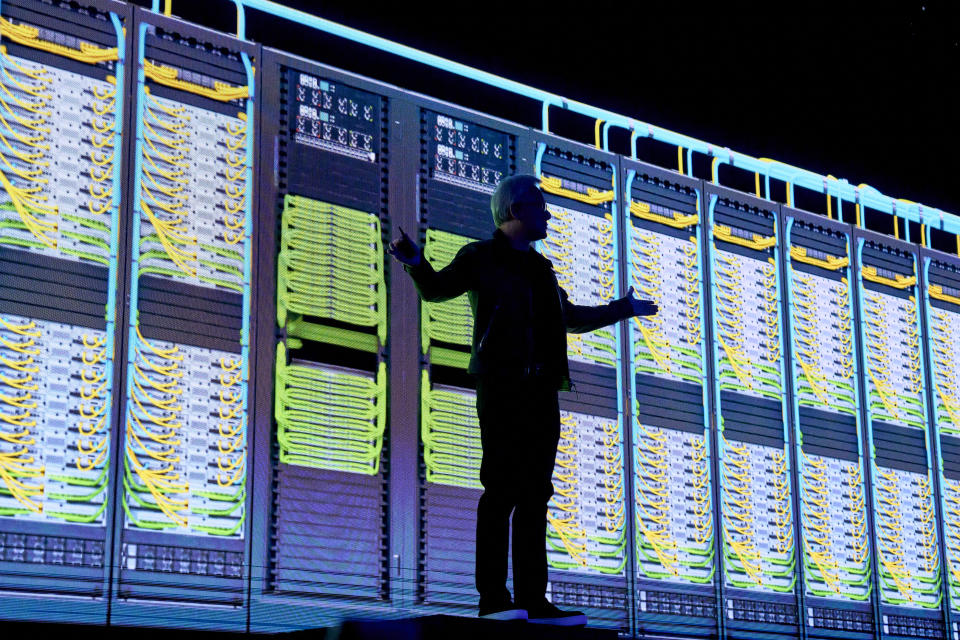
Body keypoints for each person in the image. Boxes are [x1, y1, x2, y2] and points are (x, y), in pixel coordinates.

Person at [387, 174, 657, 626]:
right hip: (502, 387)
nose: (548, 213)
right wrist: (415, 260)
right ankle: (493, 597)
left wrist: (621, 309)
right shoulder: (480, 256)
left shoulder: (542, 269)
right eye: (540, 205)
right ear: (515, 210)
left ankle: (534, 600)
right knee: (502, 491)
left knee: (536, 495)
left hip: (541, 391)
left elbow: (568, 318)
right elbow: (436, 290)